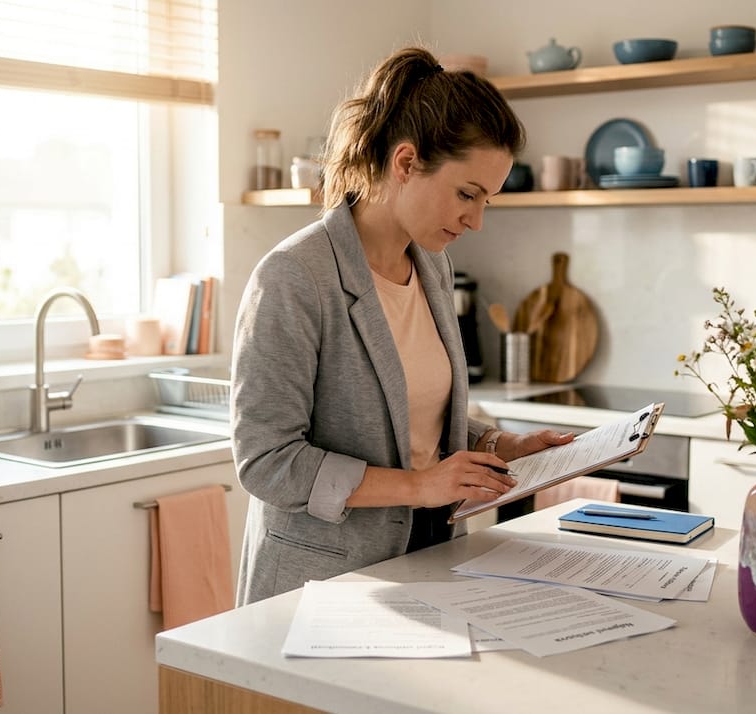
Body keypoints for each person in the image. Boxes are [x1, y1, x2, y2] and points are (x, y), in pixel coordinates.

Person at [230, 46, 574, 606]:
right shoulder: (294, 277)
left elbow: (412, 422)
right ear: (407, 163)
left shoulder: (433, 264)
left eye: (488, 199)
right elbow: (267, 462)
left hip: (427, 562)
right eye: (467, 194)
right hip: (318, 591)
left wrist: (500, 445)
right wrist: (419, 487)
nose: (477, 220)